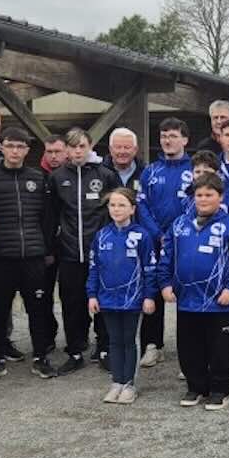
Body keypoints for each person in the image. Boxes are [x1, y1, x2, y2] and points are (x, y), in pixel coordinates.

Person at [157, 172, 229, 410]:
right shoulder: (179, 224)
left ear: (220, 197)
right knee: (190, 347)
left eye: (209, 194)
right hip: (187, 301)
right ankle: (196, 387)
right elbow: (166, 257)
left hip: (220, 302)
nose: (203, 199)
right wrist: (165, 284)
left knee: (220, 349)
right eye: (199, 195)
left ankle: (220, 390)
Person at [0, 127, 58, 381]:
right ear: (2, 148)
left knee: (37, 308)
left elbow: (48, 217)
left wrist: (47, 249)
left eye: (20, 147)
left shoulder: (38, 178)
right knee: (0, 309)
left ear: (27, 150)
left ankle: (40, 356)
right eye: (10, 146)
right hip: (1, 256)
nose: (15, 151)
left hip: (33, 255)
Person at [50, 127, 122, 374]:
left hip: (100, 253)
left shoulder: (106, 174)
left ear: (90, 147)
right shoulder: (57, 177)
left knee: (103, 302)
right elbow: (51, 214)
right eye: (73, 146)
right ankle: (75, 350)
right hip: (70, 252)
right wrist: (53, 245)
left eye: (82, 146)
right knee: (72, 303)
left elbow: (118, 209)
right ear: (66, 150)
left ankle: (104, 349)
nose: (78, 151)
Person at [87, 188, 158, 405]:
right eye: (112, 205)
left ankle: (129, 384)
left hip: (133, 300)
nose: (116, 209)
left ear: (132, 209)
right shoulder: (101, 235)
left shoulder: (142, 236)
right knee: (114, 341)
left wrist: (149, 296)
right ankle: (116, 382)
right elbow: (94, 267)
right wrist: (92, 295)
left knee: (129, 341)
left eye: (122, 205)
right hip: (108, 299)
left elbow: (150, 269)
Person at [135, 117, 193, 367]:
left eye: (173, 136)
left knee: (186, 291)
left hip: (185, 240)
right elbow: (141, 205)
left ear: (185, 140)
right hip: (155, 239)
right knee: (153, 289)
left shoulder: (195, 169)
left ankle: (188, 350)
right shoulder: (150, 171)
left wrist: (177, 232)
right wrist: (157, 233)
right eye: (164, 136)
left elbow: (197, 203)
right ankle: (152, 345)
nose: (168, 141)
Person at [38, 133, 67, 354]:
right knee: (43, 294)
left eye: (58, 151)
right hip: (43, 244)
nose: (54, 156)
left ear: (66, 152)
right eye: (49, 152)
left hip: (68, 244)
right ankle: (46, 336)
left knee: (71, 294)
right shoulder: (37, 177)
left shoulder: (74, 175)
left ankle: (78, 336)